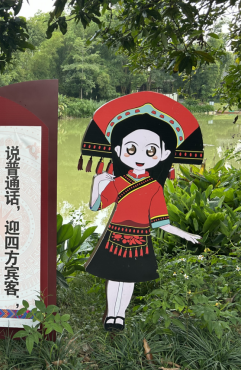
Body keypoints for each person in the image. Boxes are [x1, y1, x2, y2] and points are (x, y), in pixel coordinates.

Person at [79, 92, 204, 331]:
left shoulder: (155, 187)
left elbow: (160, 222)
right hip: (115, 235)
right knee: (114, 278)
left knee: (129, 280)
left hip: (140, 238)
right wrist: (97, 183)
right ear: (118, 150)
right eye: (132, 149)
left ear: (164, 155)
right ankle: (111, 315)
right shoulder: (118, 182)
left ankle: (120, 316)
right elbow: (96, 206)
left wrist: (184, 234)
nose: (139, 157)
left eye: (150, 151)